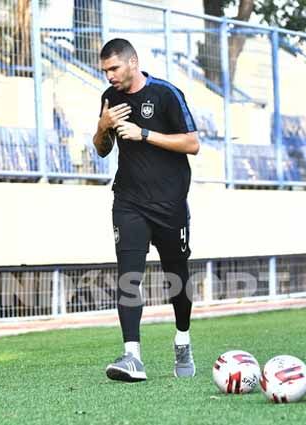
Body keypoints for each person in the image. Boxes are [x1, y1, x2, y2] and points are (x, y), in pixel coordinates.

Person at [92, 38, 200, 382]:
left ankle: (182, 339)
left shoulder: (166, 94)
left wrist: (144, 133)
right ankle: (131, 356)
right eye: (104, 70)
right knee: (129, 275)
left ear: (132, 62)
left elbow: (192, 143)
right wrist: (103, 126)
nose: (109, 76)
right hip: (129, 202)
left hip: (169, 204)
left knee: (176, 278)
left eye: (114, 68)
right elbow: (102, 150)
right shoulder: (109, 99)